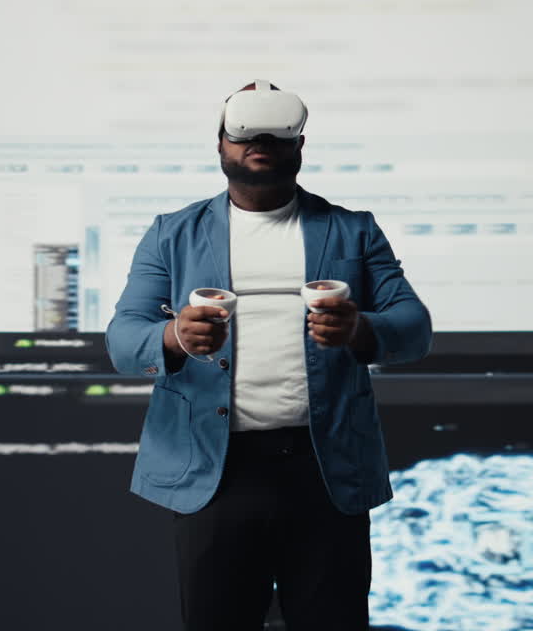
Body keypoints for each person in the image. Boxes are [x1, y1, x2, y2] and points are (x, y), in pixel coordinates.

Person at [105, 80, 432, 630]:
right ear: (220, 145)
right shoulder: (171, 234)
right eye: (245, 134)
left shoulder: (352, 231)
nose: (260, 143)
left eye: (276, 135)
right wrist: (175, 337)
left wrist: (359, 330)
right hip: (216, 472)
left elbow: (414, 328)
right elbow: (122, 337)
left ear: (300, 146)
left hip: (324, 470)